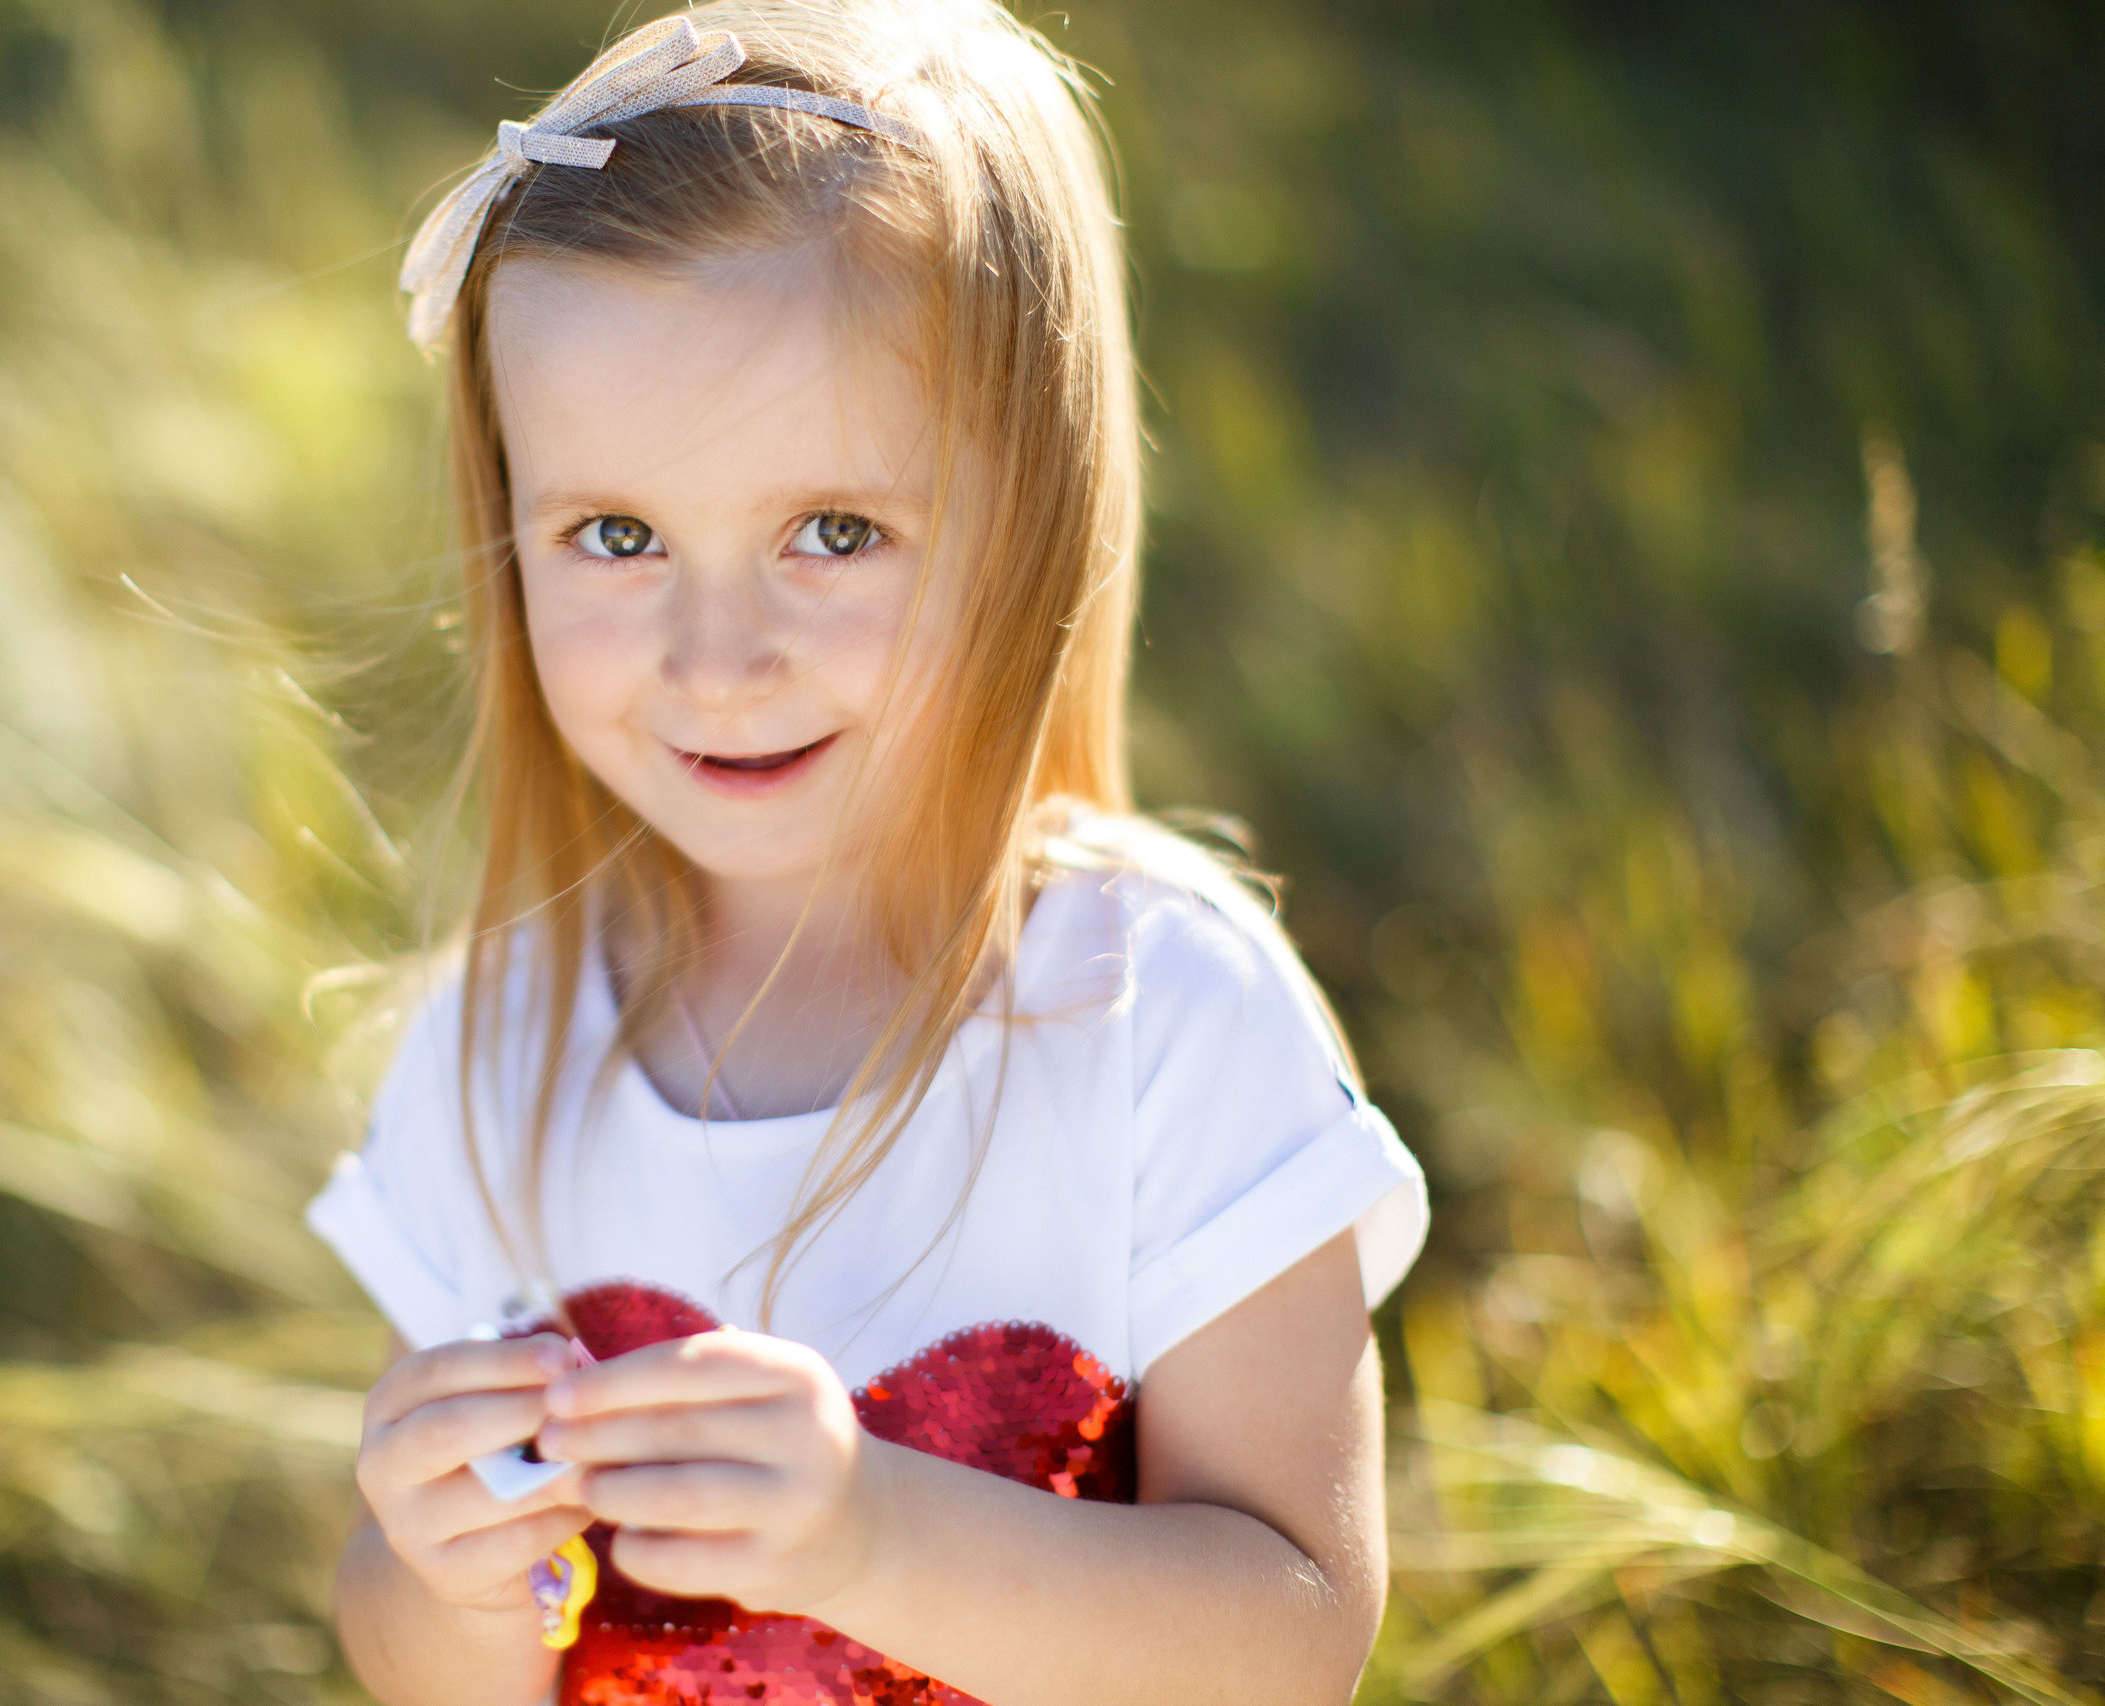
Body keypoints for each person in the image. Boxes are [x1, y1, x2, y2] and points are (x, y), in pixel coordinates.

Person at [304, 4, 1428, 1702]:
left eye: (834, 531)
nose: (714, 654)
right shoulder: (497, 1053)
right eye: (616, 534)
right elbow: (417, 1657)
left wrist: (867, 1536)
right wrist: (446, 1576)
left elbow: (1294, 1635)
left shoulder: (1159, 1019)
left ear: (1030, 513)